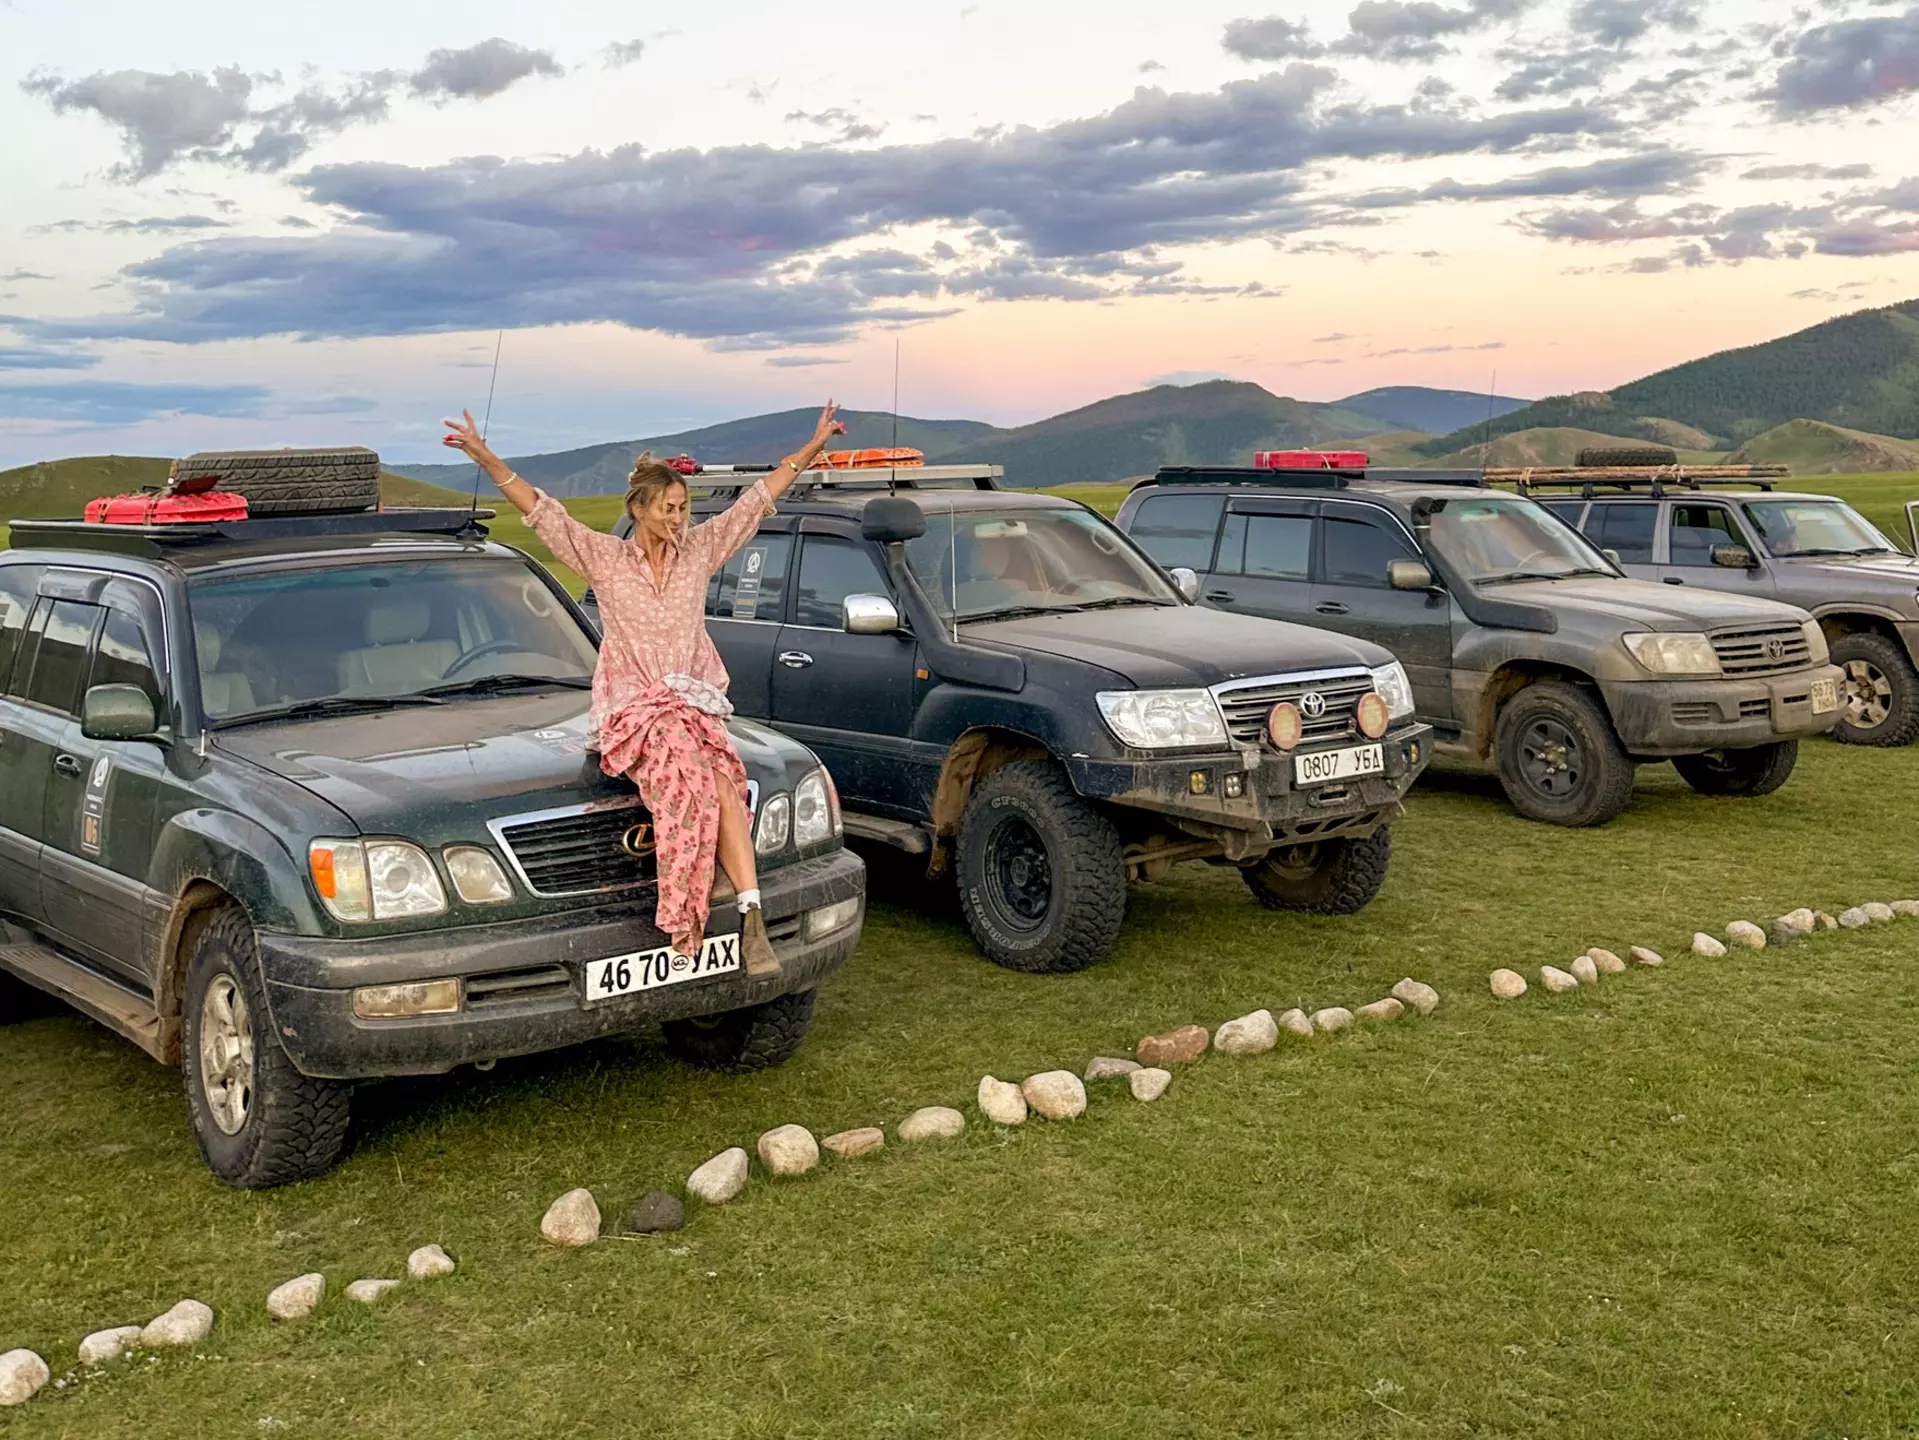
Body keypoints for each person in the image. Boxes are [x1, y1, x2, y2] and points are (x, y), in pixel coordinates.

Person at [440, 400, 847, 976]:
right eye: (668, 509)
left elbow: (758, 499)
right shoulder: (606, 560)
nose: (679, 518)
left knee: (728, 783)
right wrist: (484, 455)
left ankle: (752, 917)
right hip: (636, 707)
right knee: (690, 777)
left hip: (692, 701)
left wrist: (813, 446)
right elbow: (542, 511)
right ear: (639, 509)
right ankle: (686, 909)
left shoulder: (700, 553)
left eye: (683, 508)